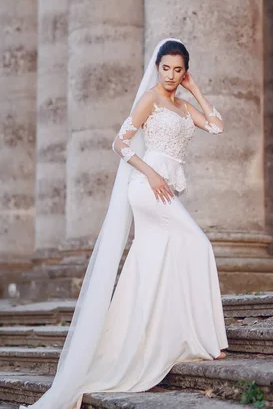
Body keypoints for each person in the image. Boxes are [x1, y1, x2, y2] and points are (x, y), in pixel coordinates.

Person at [21, 37, 228, 409]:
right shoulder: (149, 98)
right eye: (166, 68)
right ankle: (206, 342)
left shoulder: (182, 104)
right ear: (158, 67)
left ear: (185, 72)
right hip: (148, 188)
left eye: (178, 70)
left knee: (154, 260)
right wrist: (149, 173)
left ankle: (158, 337)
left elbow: (216, 126)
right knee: (199, 244)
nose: (171, 75)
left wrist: (195, 89)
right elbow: (120, 143)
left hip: (165, 188)